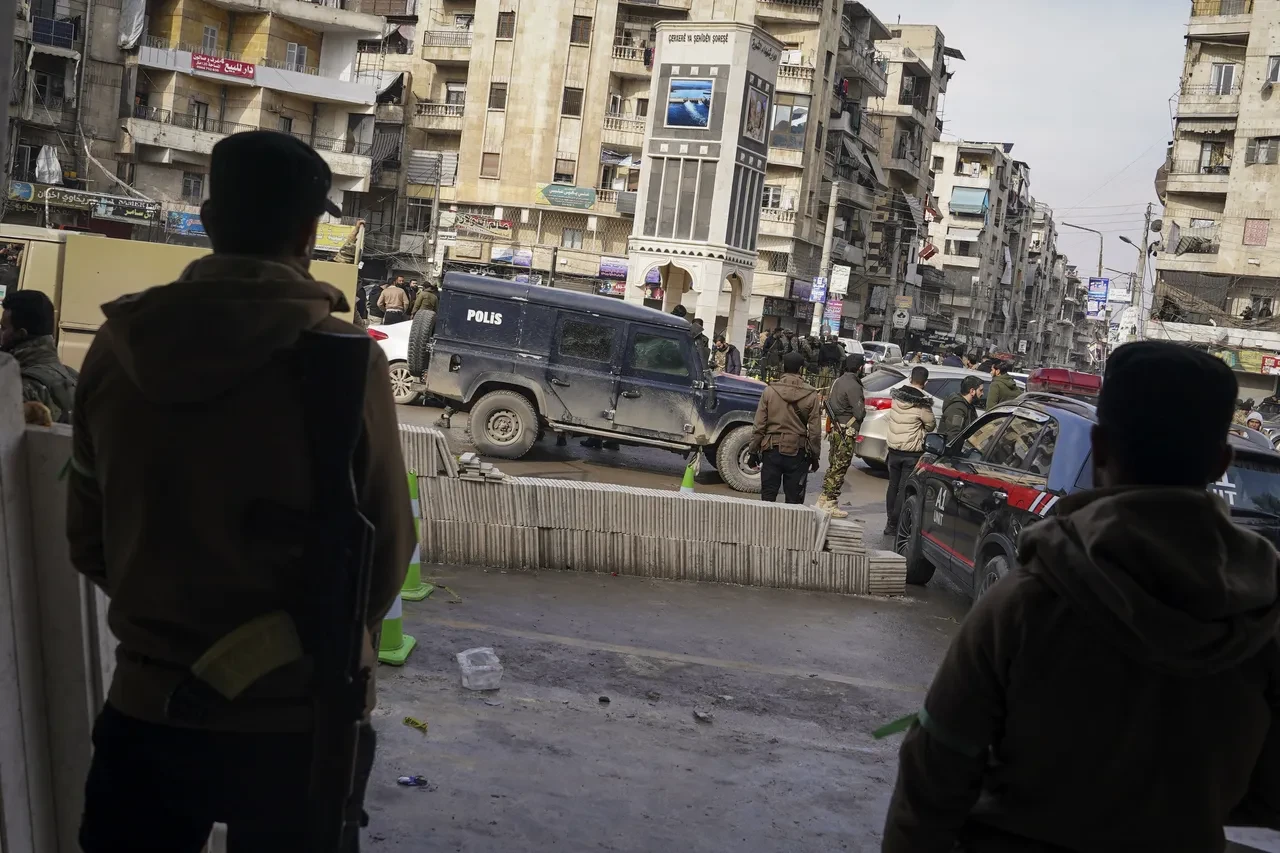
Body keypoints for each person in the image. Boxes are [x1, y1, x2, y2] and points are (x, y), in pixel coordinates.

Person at [70, 130, 416, 851]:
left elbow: (87, 537)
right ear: (307, 230)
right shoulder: (347, 362)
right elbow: (385, 555)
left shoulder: (119, 345)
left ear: (208, 218)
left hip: (147, 709)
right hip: (297, 727)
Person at [882, 341, 1280, 853]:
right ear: (1221, 461)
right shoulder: (1263, 616)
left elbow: (932, 778)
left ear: (1103, 447)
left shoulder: (1025, 603)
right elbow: (1268, 795)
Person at [748, 352, 821, 504]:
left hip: (771, 449)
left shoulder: (770, 390)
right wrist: (815, 456)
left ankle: (766, 528)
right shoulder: (811, 394)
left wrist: (753, 451)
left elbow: (759, 425)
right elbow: (814, 432)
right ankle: (791, 528)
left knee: (767, 499)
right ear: (801, 369)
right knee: (794, 503)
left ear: (783, 367)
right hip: (798, 453)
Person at [1, 289, 79, 424]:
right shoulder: (72, 376)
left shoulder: (20, 386)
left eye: (3, 328)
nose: (0, 333)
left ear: (20, 334)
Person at [884, 366, 936, 534]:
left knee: (892, 485)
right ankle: (895, 523)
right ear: (926, 383)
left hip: (893, 448)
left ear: (910, 378)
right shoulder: (922, 404)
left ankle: (889, 520)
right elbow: (931, 425)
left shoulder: (896, 397)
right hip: (911, 452)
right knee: (903, 488)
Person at [818, 353, 867, 518]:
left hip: (836, 429)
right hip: (846, 431)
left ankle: (824, 498)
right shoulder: (854, 385)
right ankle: (831, 503)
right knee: (840, 467)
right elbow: (859, 412)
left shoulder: (838, 381)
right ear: (860, 368)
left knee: (833, 466)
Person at [940, 375, 983, 444]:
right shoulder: (957, 408)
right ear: (972, 391)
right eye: (980, 390)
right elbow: (953, 435)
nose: (982, 393)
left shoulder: (969, 406)